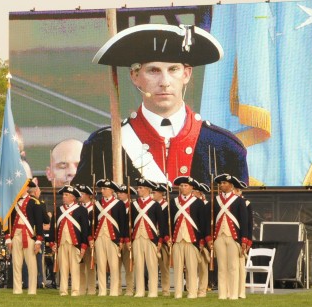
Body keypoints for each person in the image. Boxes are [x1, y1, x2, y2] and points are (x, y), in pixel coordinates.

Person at [74, 24, 248, 187]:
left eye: (173, 70)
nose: (164, 82)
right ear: (135, 76)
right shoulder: (104, 146)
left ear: (186, 74)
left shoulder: (224, 147)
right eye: (153, 71)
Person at [209, 173, 250, 300]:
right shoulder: (215, 200)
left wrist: (244, 239)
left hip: (234, 237)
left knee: (233, 267)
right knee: (221, 267)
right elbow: (211, 219)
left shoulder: (239, 201)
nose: (222, 185)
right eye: (220, 183)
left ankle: (233, 294)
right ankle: (222, 293)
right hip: (219, 236)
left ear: (231, 185)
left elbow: (244, 221)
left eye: (224, 183)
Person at [129, 178, 168, 298]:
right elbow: (130, 223)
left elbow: (162, 224)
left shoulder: (155, 205)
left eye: (141, 188)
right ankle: (139, 290)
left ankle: (153, 291)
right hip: (137, 237)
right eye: (138, 187)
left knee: (152, 266)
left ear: (147, 189)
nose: (138, 190)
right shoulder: (134, 204)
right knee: (139, 266)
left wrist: (160, 240)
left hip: (151, 238)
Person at [170, 176, 208, 299]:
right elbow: (170, 221)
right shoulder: (173, 202)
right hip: (177, 239)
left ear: (191, 187)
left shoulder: (198, 203)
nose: (183, 188)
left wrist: (202, 240)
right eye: (181, 186)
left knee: (192, 268)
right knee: (178, 269)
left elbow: (203, 223)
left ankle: (192, 292)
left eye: (185, 185)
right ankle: (178, 292)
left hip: (192, 239)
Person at [5, 179, 43, 295]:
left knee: (31, 265)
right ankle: (17, 289)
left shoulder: (34, 202)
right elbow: (8, 221)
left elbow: (39, 222)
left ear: (27, 188)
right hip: (16, 235)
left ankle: (32, 290)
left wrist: (38, 241)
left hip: (29, 235)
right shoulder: (13, 202)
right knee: (16, 263)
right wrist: (8, 238)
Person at [51, 185, 89, 296]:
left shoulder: (81, 210)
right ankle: (63, 290)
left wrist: (83, 245)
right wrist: (53, 242)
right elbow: (55, 227)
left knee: (75, 268)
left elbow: (85, 229)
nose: (64, 197)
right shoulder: (58, 210)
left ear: (73, 197)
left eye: (66, 195)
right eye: (63, 195)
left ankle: (75, 291)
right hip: (62, 243)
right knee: (63, 268)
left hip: (75, 243)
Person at [93, 179, 128, 296]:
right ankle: (102, 291)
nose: (102, 191)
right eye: (101, 189)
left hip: (113, 237)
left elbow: (122, 223)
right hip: (99, 237)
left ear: (111, 190)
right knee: (101, 266)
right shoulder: (97, 204)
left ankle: (114, 291)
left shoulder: (119, 204)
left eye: (105, 189)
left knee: (114, 266)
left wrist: (122, 239)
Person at [152, 182, 172, 296]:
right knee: (152, 266)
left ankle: (166, 289)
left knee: (164, 267)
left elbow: (167, 224)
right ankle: (153, 288)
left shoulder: (167, 206)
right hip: (153, 238)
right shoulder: (152, 205)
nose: (152, 194)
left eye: (154, 192)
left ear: (161, 193)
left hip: (164, 240)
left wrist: (164, 238)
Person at [116, 183, 136, 296]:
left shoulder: (133, 207)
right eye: (118, 193)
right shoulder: (116, 206)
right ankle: (117, 288)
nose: (119, 195)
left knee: (129, 267)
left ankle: (129, 289)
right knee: (116, 267)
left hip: (129, 240)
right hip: (118, 240)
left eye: (122, 193)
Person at [193, 181, 212, 297]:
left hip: (203, 239)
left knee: (203, 267)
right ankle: (192, 288)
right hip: (193, 239)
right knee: (192, 267)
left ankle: (202, 289)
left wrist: (205, 239)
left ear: (199, 193)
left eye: (194, 191)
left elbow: (206, 225)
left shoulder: (206, 205)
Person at [234, 180, 253, 299]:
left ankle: (241, 291)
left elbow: (248, 223)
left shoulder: (245, 203)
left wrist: (247, 240)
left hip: (241, 238)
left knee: (240, 266)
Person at [77, 184, 96, 295]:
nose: (80, 195)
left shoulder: (94, 208)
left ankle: (92, 289)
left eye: (82, 193)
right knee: (80, 266)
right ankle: (82, 288)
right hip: (80, 240)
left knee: (91, 266)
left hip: (90, 241)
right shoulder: (78, 208)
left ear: (88, 195)